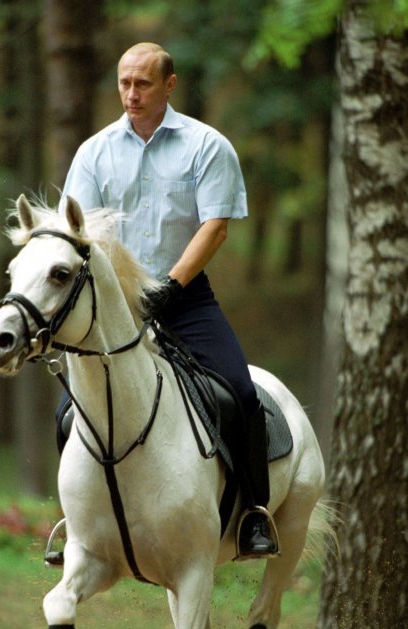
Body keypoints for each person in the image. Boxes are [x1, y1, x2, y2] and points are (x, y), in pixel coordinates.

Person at [58, 42, 278, 559]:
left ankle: (254, 517)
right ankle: (75, 523)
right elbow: (79, 232)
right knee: (69, 411)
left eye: (143, 84)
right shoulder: (93, 152)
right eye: (123, 83)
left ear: (169, 85)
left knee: (240, 394)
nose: (131, 95)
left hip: (185, 298)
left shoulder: (207, 145)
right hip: (115, 307)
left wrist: (171, 288)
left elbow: (215, 227)